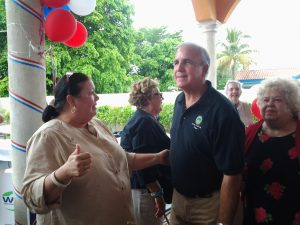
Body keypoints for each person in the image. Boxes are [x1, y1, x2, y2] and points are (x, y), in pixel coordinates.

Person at [22, 72, 170, 225]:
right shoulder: (48, 136)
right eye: (91, 92)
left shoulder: (97, 124)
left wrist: (158, 158)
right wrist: (63, 174)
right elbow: (31, 197)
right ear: (71, 101)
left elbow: (121, 160)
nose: (97, 97)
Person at [170, 43, 245, 225]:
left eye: (186, 62)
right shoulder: (180, 100)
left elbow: (232, 175)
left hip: (209, 206)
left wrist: (224, 221)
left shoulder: (222, 111)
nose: (178, 68)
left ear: (204, 69)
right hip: (178, 200)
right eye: (176, 62)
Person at [243, 77, 300, 225]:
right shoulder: (249, 133)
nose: (269, 104)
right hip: (254, 214)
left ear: (292, 105)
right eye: (265, 100)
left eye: (277, 100)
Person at [120, 78, 172, 225]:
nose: (162, 98)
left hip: (144, 191)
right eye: (159, 95)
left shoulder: (145, 119)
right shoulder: (144, 122)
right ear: (149, 98)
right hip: (145, 193)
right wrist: (157, 193)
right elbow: (142, 162)